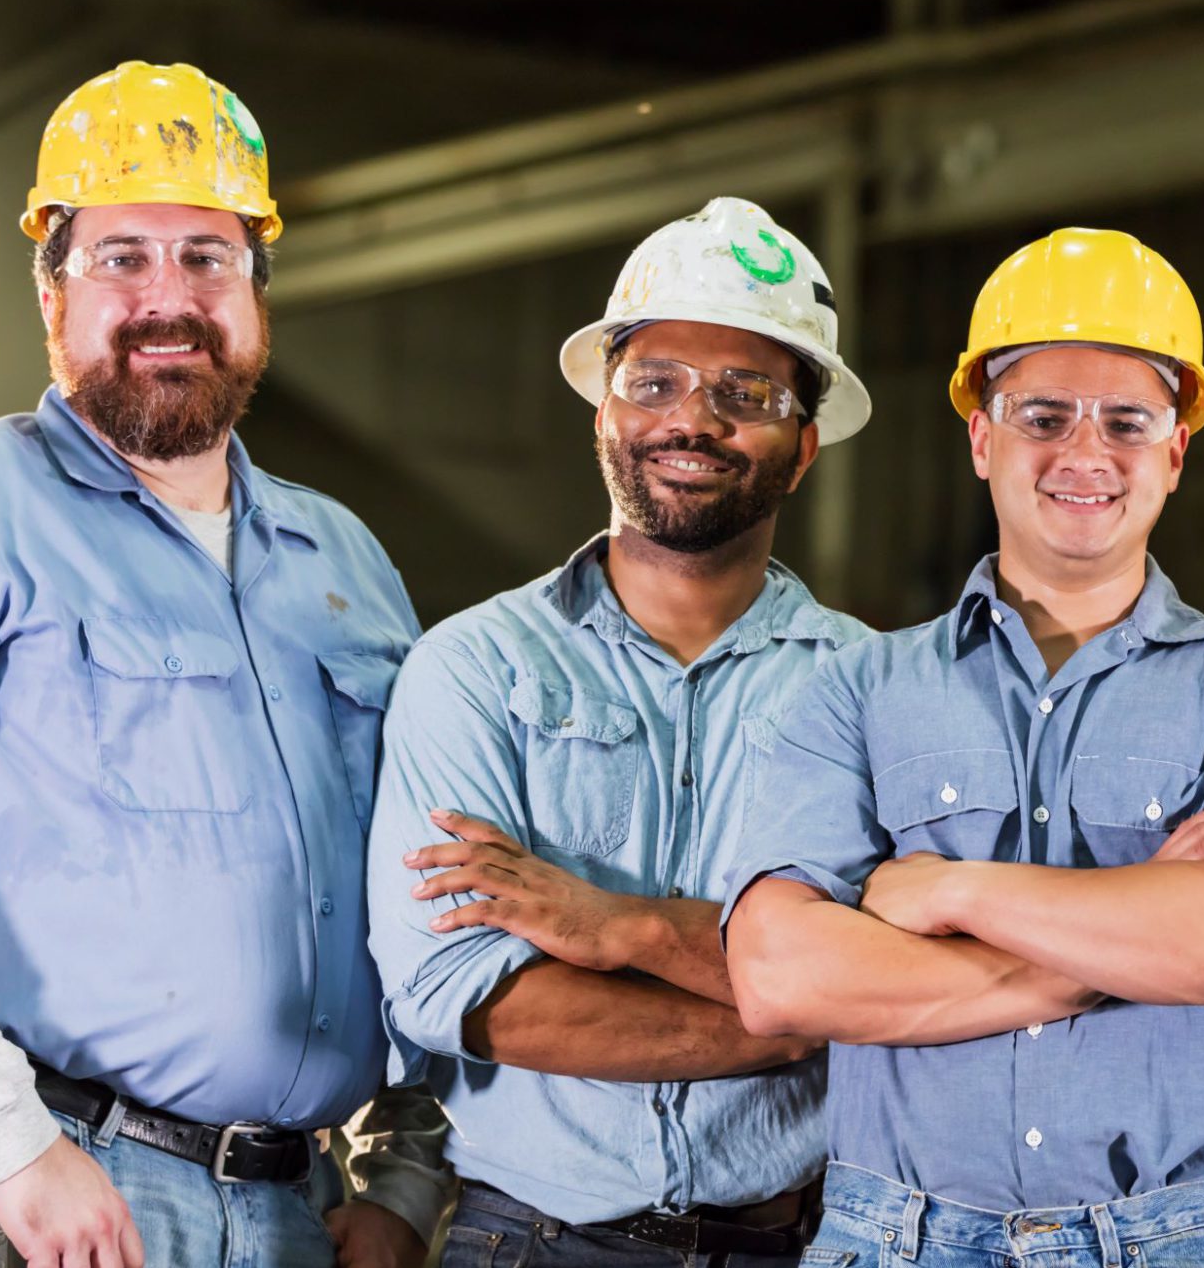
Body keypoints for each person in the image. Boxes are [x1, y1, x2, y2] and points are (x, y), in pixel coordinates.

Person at [0, 61, 437, 1268]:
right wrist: (8, 1142)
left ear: (257, 294)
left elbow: (427, 879)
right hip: (45, 1193)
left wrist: (402, 1175)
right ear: (52, 291)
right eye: (121, 256)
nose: (167, 295)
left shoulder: (344, 561)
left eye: (206, 258)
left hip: (295, 1207)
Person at [724, 227, 1204, 1268]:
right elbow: (779, 974)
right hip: (891, 1235)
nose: (1085, 451)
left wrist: (947, 888)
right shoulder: (855, 688)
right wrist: (1130, 932)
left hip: (1158, 1234)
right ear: (981, 438)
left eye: (1126, 420)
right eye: (1043, 415)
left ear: (1174, 451)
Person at [367, 197, 873, 1267]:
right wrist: (790, 1013)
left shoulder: (874, 691)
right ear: (603, 410)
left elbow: (887, 978)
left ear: (806, 443)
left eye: (749, 393)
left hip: (804, 1244)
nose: (694, 419)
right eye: (654, 383)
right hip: (529, 1241)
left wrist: (623, 928)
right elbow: (463, 996)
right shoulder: (474, 668)